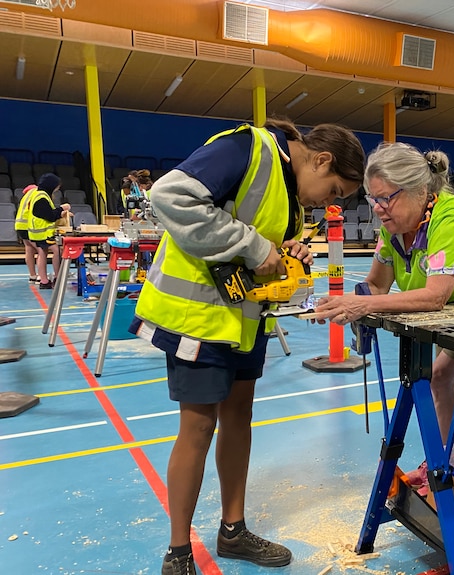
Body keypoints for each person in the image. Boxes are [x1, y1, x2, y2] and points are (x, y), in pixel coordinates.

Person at [130, 118, 366, 575]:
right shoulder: (247, 148)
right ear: (321, 159)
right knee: (197, 428)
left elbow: (257, 239)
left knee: (239, 418)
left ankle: (232, 531)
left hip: (243, 319)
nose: (328, 202)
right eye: (334, 190)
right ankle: (178, 553)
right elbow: (170, 196)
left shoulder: (289, 190)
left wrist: (289, 249)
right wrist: (257, 247)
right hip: (197, 317)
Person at [313, 142, 454, 453]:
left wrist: (363, 304)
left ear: (420, 191)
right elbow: (377, 285)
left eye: (386, 199)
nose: (377, 208)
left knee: (440, 376)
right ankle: (442, 460)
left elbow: (435, 296)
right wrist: (353, 301)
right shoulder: (391, 225)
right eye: (373, 199)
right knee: (431, 377)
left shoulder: (452, 219)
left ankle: (445, 462)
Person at [27, 173, 72, 290]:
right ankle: (57, 277)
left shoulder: (38, 195)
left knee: (42, 253)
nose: (57, 189)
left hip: (37, 232)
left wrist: (60, 214)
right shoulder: (42, 197)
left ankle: (44, 281)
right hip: (43, 233)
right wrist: (62, 208)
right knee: (56, 251)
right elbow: (50, 216)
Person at [13, 183, 39, 282]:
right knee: (41, 250)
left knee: (29, 249)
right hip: (29, 226)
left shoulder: (25, 197)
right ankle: (42, 277)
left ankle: (33, 276)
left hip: (20, 225)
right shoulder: (36, 193)